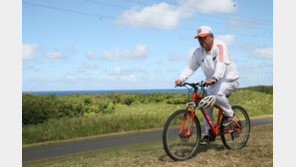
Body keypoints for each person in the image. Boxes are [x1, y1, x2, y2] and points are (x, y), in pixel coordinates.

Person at [175, 26, 240, 145]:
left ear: (211, 37)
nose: (201, 41)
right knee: (205, 105)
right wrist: (181, 78)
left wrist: (215, 78)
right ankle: (208, 133)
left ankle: (231, 116)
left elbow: (221, 64)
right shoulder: (198, 52)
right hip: (214, 82)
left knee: (218, 94)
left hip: (229, 80)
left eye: (204, 38)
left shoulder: (220, 46)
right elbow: (191, 67)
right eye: (199, 39)